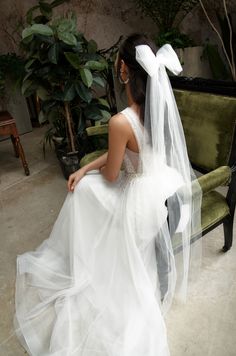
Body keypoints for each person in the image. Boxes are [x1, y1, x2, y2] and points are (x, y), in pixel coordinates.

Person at [14, 33, 202, 356]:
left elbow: (115, 173)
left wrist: (91, 172)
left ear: (125, 71)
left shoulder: (119, 122)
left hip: (139, 203)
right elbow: (133, 154)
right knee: (86, 183)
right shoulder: (157, 110)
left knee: (83, 195)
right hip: (164, 191)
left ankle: (86, 260)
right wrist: (86, 168)